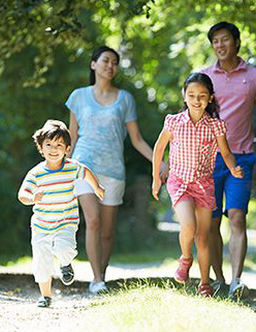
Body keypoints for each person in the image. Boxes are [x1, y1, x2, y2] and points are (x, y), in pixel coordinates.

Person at [66, 46, 166, 294]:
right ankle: (97, 279)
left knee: (108, 232)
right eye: (105, 61)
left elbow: (137, 140)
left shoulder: (125, 99)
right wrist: (60, 167)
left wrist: (159, 162)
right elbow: (72, 135)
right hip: (83, 164)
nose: (110, 66)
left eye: (114, 62)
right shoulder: (78, 96)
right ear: (93, 65)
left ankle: (102, 275)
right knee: (94, 221)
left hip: (113, 170)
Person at [151, 73, 243, 297]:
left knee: (203, 236)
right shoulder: (173, 121)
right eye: (191, 95)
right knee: (188, 226)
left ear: (210, 98)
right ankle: (185, 258)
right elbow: (158, 148)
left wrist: (232, 167)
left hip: (204, 185)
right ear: (184, 95)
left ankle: (204, 284)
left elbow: (227, 153)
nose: (196, 100)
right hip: (179, 182)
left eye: (202, 96)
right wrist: (156, 178)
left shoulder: (215, 126)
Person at [202, 21, 256, 298]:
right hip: (209, 160)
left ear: (237, 42)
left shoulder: (254, 77)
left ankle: (236, 280)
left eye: (225, 40)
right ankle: (218, 278)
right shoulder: (204, 77)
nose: (220, 45)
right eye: (215, 41)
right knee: (212, 222)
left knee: (238, 218)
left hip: (242, 159)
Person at [18, 120, 105, 307]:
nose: (53, 149)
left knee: (64, 248)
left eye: (59, 145)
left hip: (66, 220)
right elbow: (22, 195)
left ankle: (65, 264)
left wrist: (96, 187)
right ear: (41, 148)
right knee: (41, 260)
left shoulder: (72, 167)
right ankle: (46, 296)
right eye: (48, 144)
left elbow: (86, 172)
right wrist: (33, 197)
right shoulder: (36, 173)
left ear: (67, 149)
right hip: (41, 225)